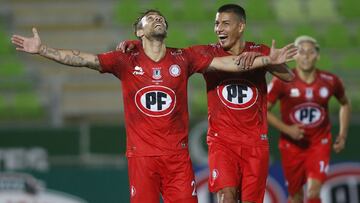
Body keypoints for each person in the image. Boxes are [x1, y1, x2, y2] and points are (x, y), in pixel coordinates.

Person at [11, 9, 295, 203]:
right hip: (142, 156)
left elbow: (228, 63)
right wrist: (43, 50)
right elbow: (82, 58)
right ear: (139, 31)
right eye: (150, 18)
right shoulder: (125, 60)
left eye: (160, 17)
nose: (158, 19)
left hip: (178, 159)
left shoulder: (183, 58)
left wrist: (269, 60)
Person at [117, 4, 297, 203]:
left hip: (255, 142)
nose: (219, 28)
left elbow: (288, 76)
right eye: (216, 23)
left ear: (241, 26)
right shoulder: (206, 53)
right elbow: (169, 53)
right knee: (226, 196)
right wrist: (136, 43)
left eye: (225, 23)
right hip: (222, 142)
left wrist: (267, 60)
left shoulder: (258, 51)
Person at [267, 35, 351, 203]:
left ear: (317, 55)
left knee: (313, 192)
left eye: (310, 52)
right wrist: (287, 129)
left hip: (319, 143)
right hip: (291, 146)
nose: (305, 56)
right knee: (295, 196)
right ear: (295, 55)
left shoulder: (330, 81)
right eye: (301, 52)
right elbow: (264, 109)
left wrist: (342, 134)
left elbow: (345, 104)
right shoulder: (281, 81)